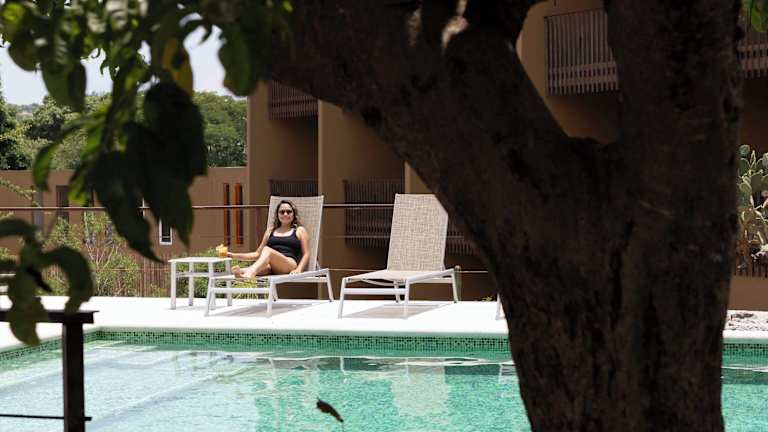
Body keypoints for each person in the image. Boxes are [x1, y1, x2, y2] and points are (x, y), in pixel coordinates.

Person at [227, 200, 310, 278]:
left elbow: (306, 253)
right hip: (271, 267)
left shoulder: (299, 230)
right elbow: (257, 254)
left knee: (267, 250)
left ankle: (249, 275)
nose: (285, 214)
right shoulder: (270, 231)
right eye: (282, 212)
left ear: (293, 214)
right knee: (259, 267)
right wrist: (234, 255)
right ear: (277, 215)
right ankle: (242, 273)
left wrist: (298, 269)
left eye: (289, 211)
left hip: (288, 264)